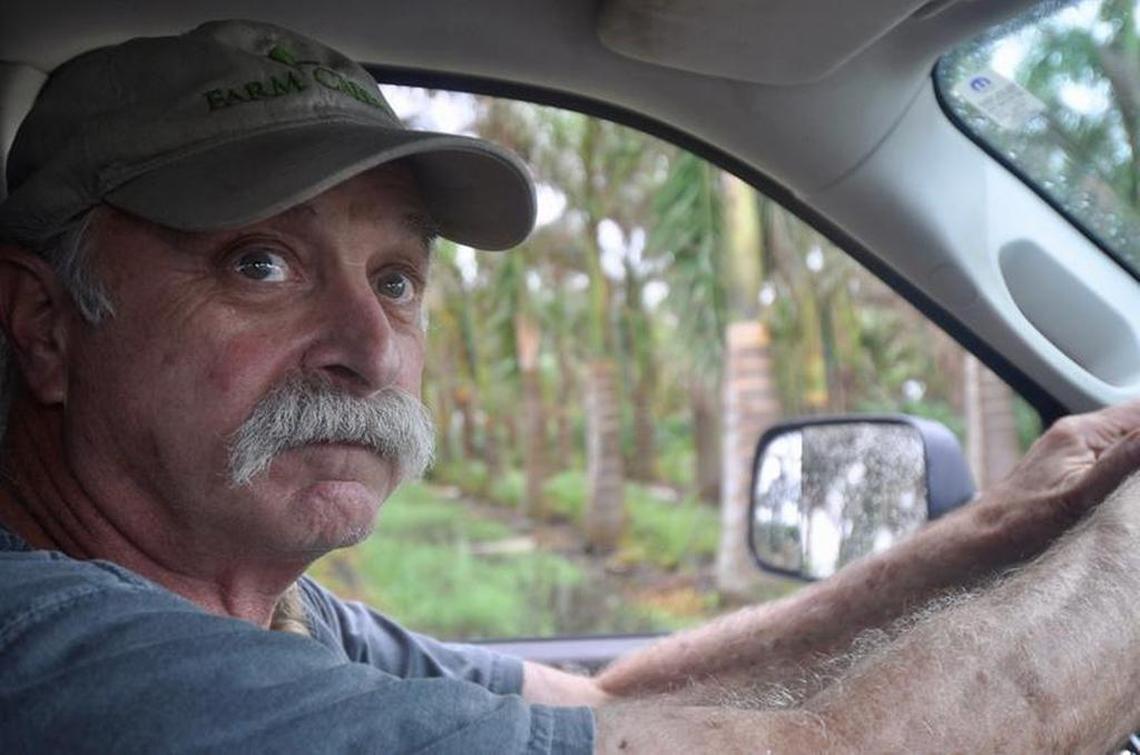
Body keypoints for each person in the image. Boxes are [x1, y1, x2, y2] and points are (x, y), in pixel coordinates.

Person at [1, 18, 1138, 754]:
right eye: (262, 263)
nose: (371, 344)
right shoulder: (71, 662)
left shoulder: (261, 616)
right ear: (43, 326)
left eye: (396, 278)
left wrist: (1004, 523)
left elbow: (607, 702)